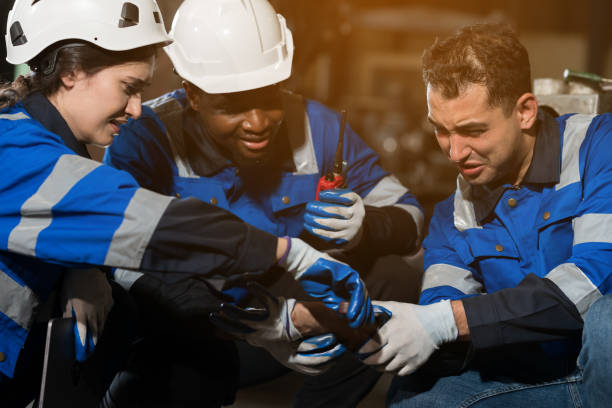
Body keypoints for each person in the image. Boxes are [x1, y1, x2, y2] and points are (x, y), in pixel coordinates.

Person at [0, 0, 374, 406]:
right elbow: (154, 224)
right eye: (128, 88)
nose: (136, 109)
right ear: (71, 72)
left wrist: (83, 266)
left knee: (133, 315)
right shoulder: (16, 152)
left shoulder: (38, 146)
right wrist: (289, 254)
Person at [104, 0, 424, 405]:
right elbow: (121, 263)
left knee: (394, 276)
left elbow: (412, 215)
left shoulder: (317, 126)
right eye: (233, 105)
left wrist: (368, 227)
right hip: (195, 322)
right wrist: (265, 320)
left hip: (290, 303)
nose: (257, 123)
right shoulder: (144, 137)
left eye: (268, 98)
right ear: (193, 94)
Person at [354, 23, 612, 407]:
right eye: (441, 130)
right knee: (416, 394)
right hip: (536, 382)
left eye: (473, 130)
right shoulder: (452, 216)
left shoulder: (598, 147)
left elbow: (593, 279)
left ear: (525, 111)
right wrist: (390, 331)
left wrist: (448, 321)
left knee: (608, 323)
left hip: (604, 371)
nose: (454, 152)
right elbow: (443, 311)